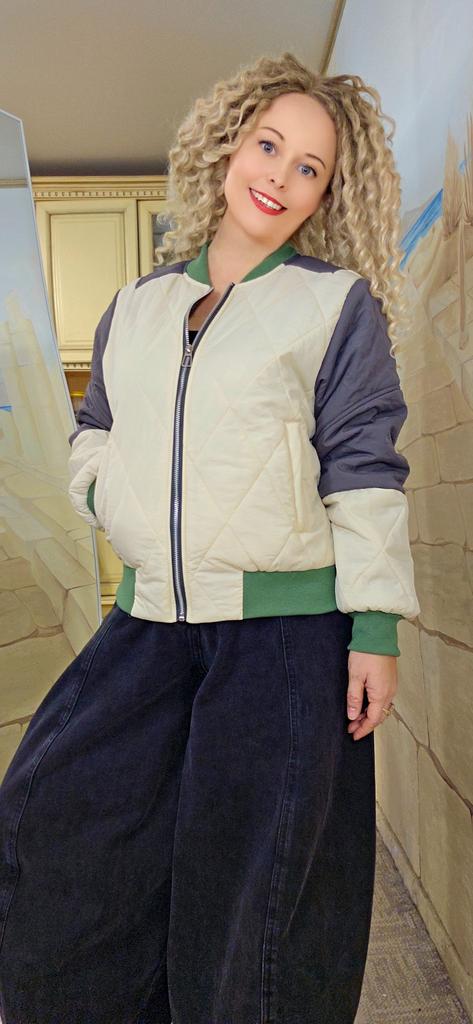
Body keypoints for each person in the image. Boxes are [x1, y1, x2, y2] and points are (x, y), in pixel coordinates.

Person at [0, 51, 420, 1024]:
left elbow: (362, 463)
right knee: (50, 815)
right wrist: (108, 493)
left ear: (326, 192)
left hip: (282, 635)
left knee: (247, 891)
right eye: (268, 145)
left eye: (308, 166)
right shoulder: (138, 306)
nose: (279, 175)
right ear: (227, 145)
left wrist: (374, 629)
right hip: (147, 621)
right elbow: (96, 423)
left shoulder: (331, 305)